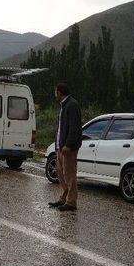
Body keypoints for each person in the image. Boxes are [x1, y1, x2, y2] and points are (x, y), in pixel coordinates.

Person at [49, 83, 82, 212]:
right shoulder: (64, 105)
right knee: (61, 174)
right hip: (60, 147)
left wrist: (69, 144)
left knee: (70, 175)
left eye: (55, 92)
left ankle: (71, 202)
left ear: (60, 92)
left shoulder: (72, 105)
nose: (55, 94)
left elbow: (74, 127)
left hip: (68, 148)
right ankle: (63, 198)